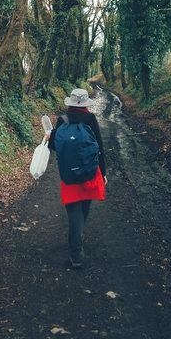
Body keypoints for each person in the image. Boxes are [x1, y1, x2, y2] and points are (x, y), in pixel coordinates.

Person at [47, 87, 107, 268]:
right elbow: (99, 147)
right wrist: (103, 173)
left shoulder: (62, 120)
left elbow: (54, 146)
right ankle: (77, 245)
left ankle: (76, 252)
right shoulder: (90, 119)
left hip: (69, 175)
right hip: (89, 173)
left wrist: (50, 135)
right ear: (85, 104)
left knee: (73, 211)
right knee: (84, 208)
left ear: (71, 103)